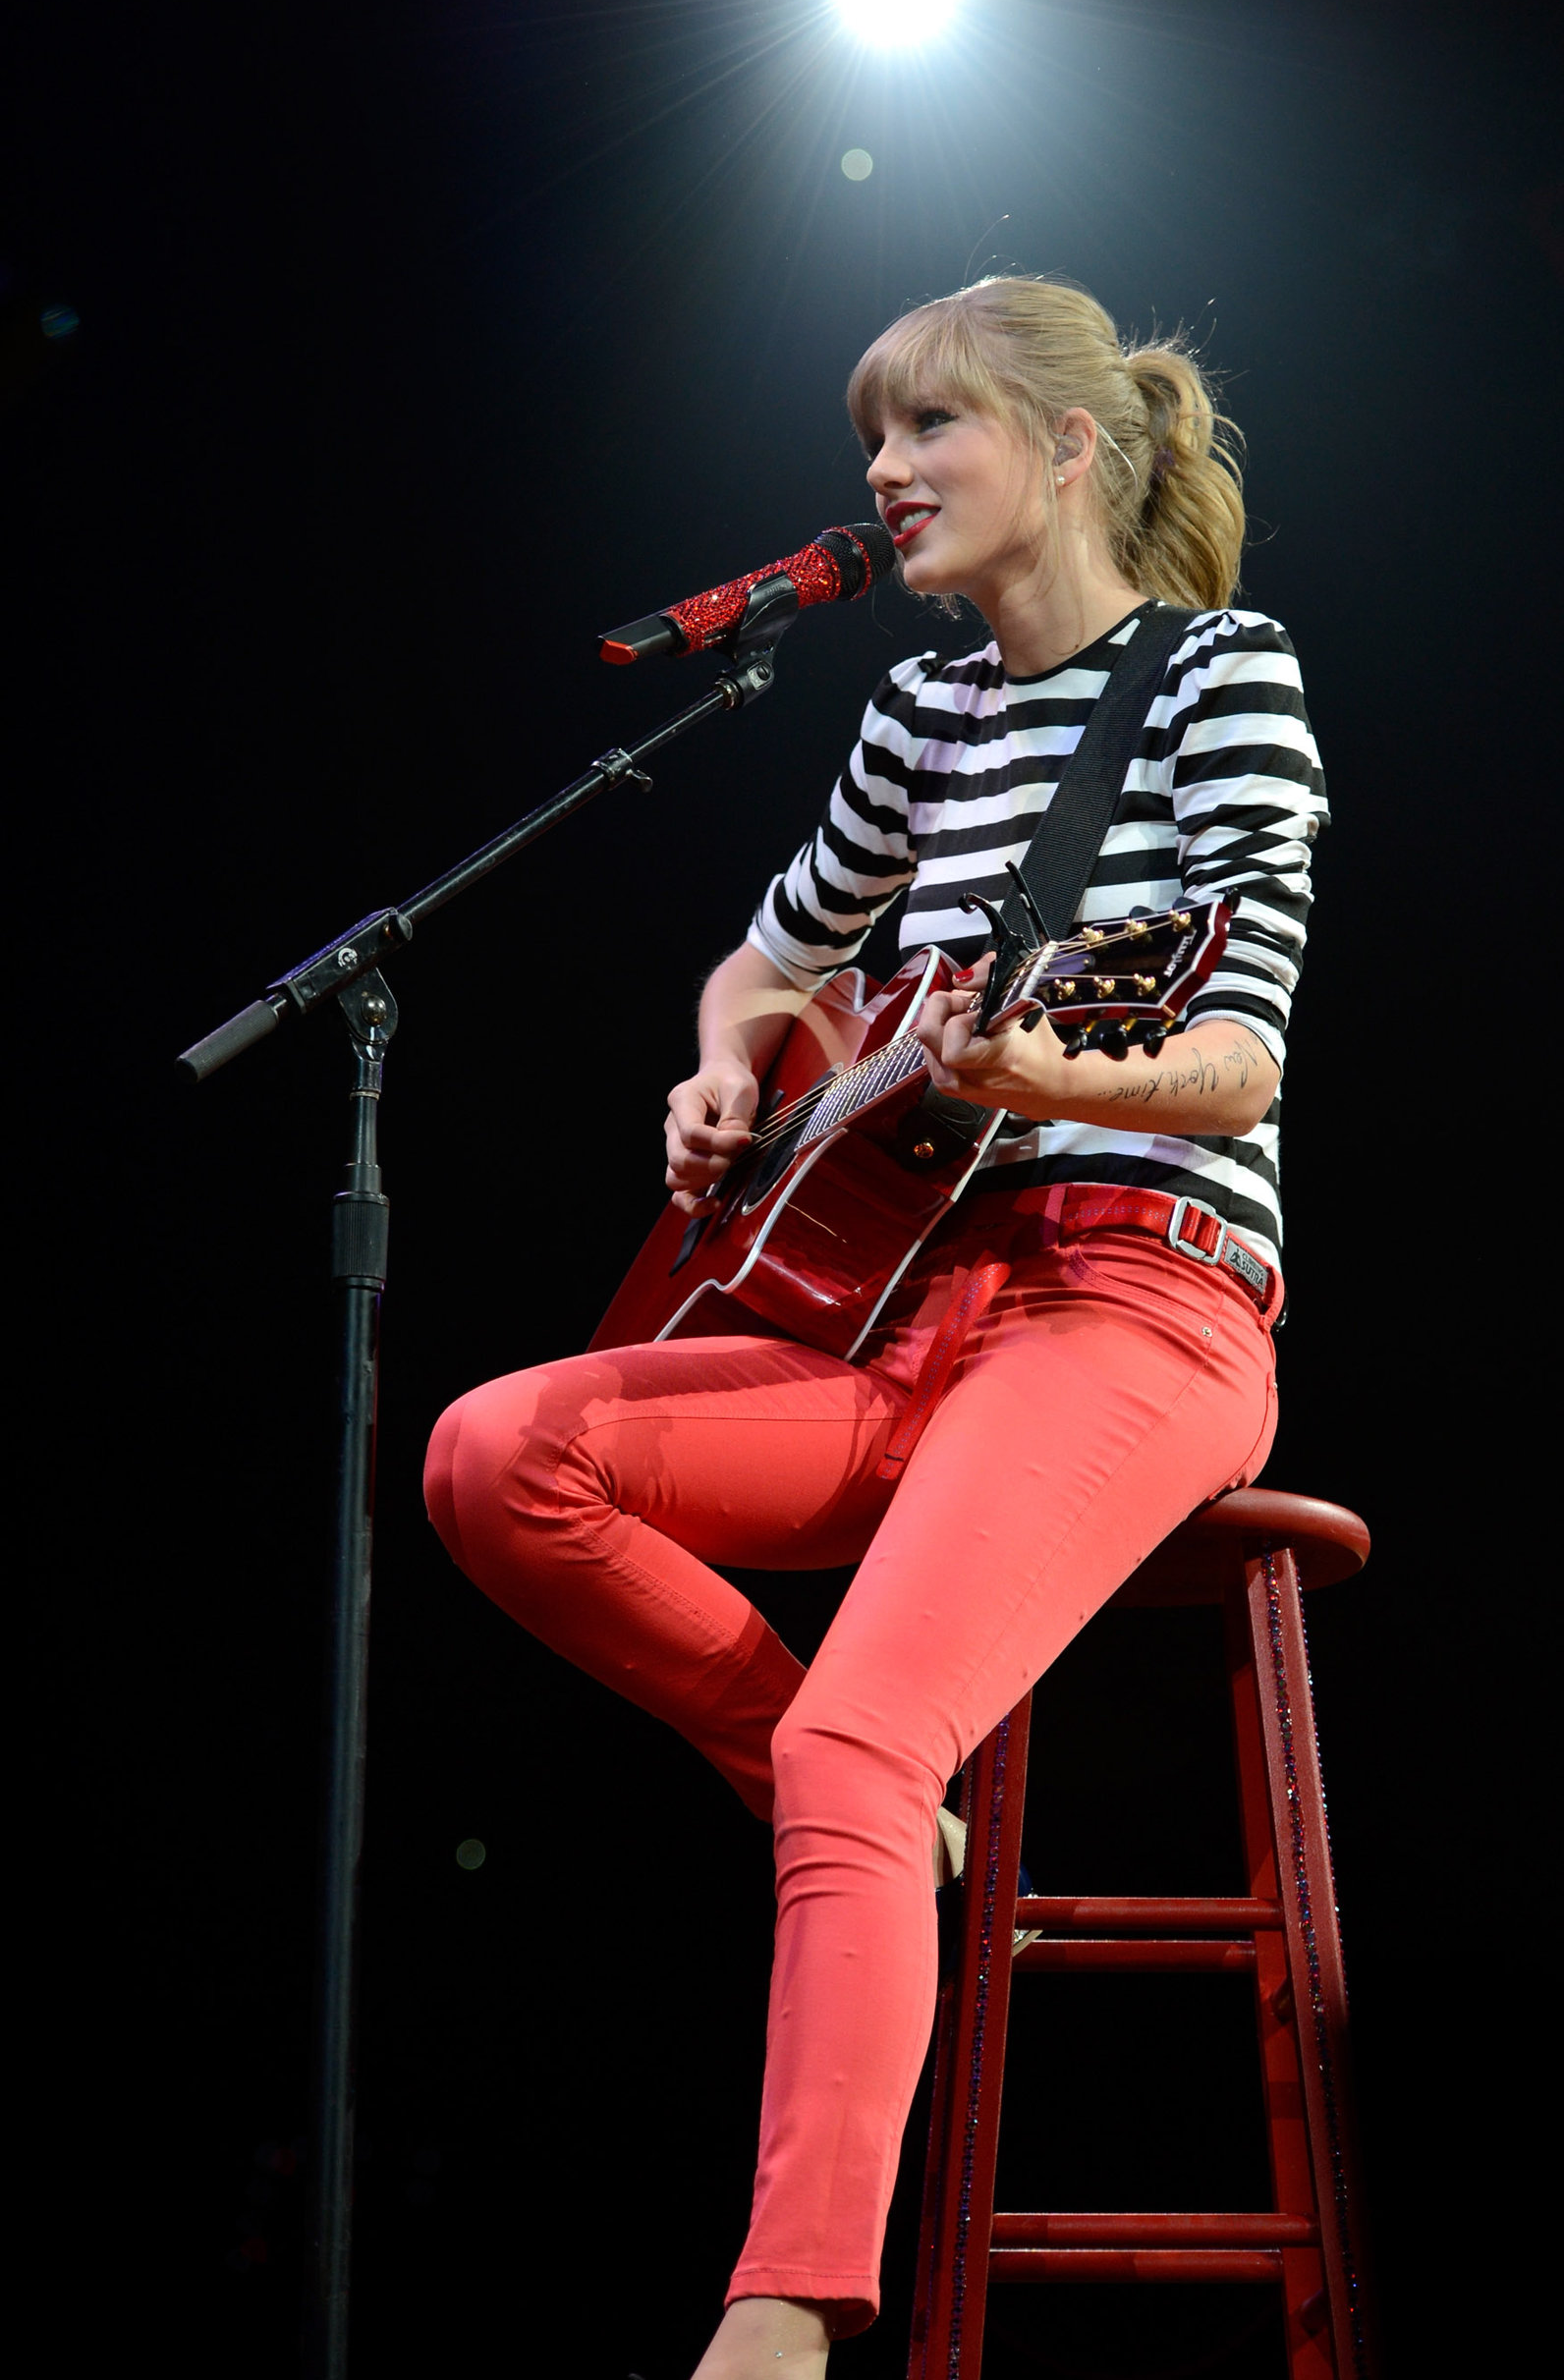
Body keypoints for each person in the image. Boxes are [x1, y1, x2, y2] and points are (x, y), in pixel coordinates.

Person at [421, 275, 1329, 2374]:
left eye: (929, 431)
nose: (884, 476)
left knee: (859, 1719)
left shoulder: (1221, 675)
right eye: (873, 442)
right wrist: (734, 1065)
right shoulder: (914, 716)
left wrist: (1052, 1081)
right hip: (886, 1314)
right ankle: (834, 1797)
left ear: (1070, 447)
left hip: (1132, 1305)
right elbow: (767, 963)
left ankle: (784, 2313)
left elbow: (1231, 1064)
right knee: (498, 1451)